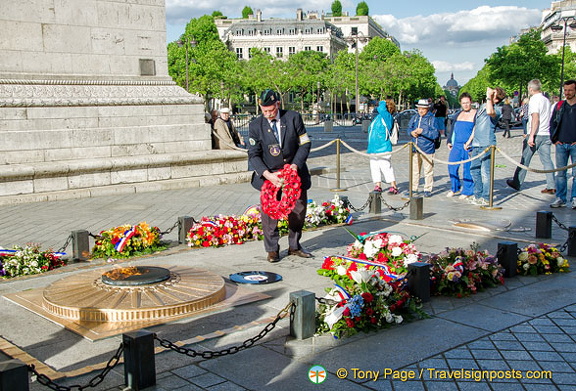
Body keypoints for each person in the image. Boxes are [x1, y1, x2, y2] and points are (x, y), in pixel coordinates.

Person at [247, 89, 312, 262]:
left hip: (294, 172)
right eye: (264, 110)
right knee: (269, 214)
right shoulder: (255, 126)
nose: (268, 114)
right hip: (271, 175)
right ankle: (272, 249)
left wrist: (295, 165)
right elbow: (253, 154)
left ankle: (294, 246)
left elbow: (305, 143)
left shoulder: (293, 117)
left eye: (271, 110)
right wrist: (267, 175)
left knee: (298, 210)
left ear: (278, 104)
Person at [506, 79, 555, 194]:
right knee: (547, 161)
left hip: (536, 133)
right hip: (546, 133)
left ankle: (517, 182)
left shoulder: (534, 100)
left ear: (530, 89)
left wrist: (531, 135)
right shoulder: (546, 100)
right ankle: (551, 184)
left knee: (525, 159)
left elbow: (535, 118)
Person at [466, 87, 505, 206]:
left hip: (487, 144)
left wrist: (489, 96)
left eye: (494, 94)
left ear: (497, 99)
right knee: (474, 170)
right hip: (476, 144)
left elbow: (490, 112)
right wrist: (469, 141)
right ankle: (478, 195)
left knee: (485, 172)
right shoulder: (483, 107)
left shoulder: (497, 109)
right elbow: (476, 126)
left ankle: (486, 197)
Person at [550, 80, 576, 208]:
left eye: (570, 90)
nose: (567, 93)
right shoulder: (560, 106)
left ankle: (575, 197)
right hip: (561, 143)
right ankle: (560, 197)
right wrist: (554, 140)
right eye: (565, 90)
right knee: (560, 173)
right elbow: (552, 123)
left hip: (574, 144)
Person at [446, 92, 476, 199]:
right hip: (457, 145)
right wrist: (449, 141)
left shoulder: (475, 114)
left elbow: (476, 130)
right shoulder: (458, 114)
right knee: (452, 166)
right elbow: (453, 129)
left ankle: (467, 190)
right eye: (463, 103)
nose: (466, 105)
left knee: (467, 169)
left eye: (467, 103)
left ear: (471, 102)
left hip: (468, 145)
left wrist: (469, 143)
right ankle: (455, 187)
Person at [407, 99, 439, 197]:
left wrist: (423, 132)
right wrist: (411, 133)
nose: (420, 111)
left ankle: (427, 189)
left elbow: (435, 134)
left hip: (427, 148)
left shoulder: (432, 119)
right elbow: (409, 128)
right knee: (415, 170)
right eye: (419, 109)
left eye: (423, 109)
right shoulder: (415, 117)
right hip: (415, 148)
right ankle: (414, 188)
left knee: (428, 170)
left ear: (427, 109)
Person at [367, 100, 399, 194]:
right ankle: (378, 185)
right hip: (373, 147)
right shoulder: (378, 117)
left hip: (383, 146)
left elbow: (380, 108)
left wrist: (383, 101)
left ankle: (393, 185)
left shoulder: (388, 117)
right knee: (374, 167)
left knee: (385, 166)